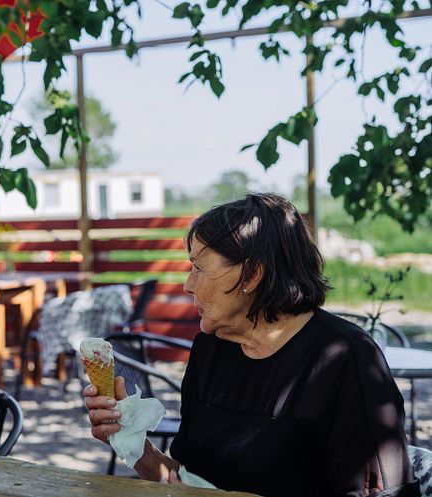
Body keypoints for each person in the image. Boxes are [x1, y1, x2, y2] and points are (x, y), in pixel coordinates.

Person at [85, 193, 420, 497]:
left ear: (251, 275)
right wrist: (129, 436)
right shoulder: (211, 349)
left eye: (199, 268)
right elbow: (185, 480)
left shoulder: (346, 359)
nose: (188, 285)